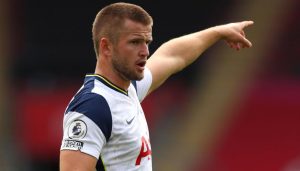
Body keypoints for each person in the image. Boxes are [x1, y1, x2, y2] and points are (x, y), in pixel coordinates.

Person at [60, 2, 254, 171]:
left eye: (146, 42)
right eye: (135, 42)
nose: (144, 51)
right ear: (106, 47)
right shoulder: (92, 108)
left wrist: (218, 32)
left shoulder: (129, 88)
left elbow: (172, 55)